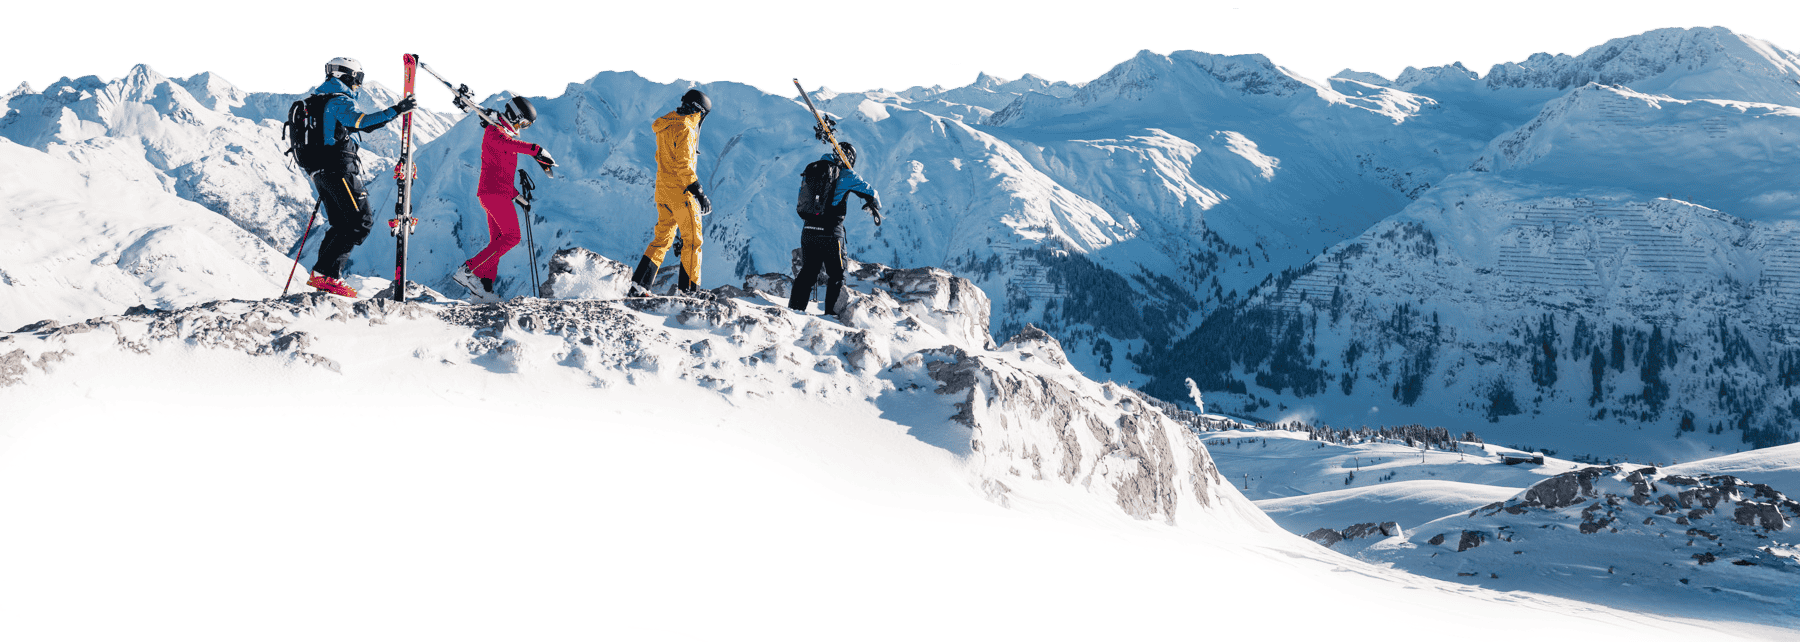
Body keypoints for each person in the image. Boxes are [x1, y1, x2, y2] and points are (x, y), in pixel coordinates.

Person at [304, 56, 417, 298]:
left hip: (321, 173)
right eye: (358, 79)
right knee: (359, 222)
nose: (359, 85)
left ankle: (323, 276)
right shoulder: (338, 101)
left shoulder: (318, 100)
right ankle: (328, 276)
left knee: (341, 224)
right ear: (346, 76)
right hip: (339, 170)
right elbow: (362, 122)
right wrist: (397, 110)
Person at [450, 96, 557, 302]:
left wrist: (518, 197)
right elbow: (508, 144)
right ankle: (468, 270)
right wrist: (536, 150)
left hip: (495, 192)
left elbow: (500, 175)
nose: (522, 128)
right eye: (523, 123)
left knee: (497, 241)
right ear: (515, 116)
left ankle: (484, 288)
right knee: (512, 237)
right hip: (494, 195)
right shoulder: (495, 132)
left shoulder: (501, 132)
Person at [627, 89, 713, 296]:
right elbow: (684, 166)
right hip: (681, 193)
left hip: (663, 191)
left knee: (662, 239)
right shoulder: (686, 129)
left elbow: (663, 158)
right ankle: (689, 291)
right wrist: (700, 194)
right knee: (693, 241)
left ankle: (639, 286)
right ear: (699, 111)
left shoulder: (665, 125)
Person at [788, 141, 881, 317]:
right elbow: (871, 193)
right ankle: (832, 317)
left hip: (808, 230)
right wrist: (874, 204)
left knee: (808, 272)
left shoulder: (815, 169)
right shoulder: (847, 175)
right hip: (831, 233)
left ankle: (793, 311)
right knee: (836, 275)